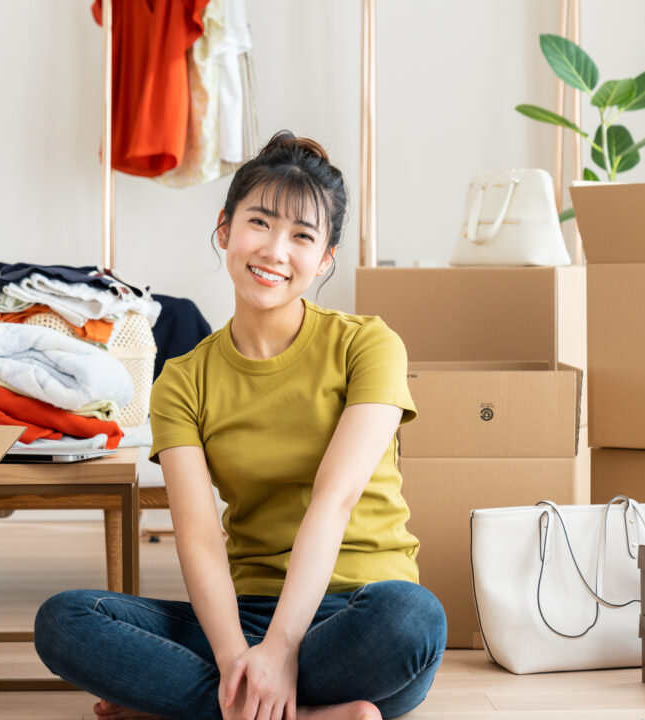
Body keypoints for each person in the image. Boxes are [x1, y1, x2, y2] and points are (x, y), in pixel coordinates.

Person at [35, 131, 445, 720]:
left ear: (325, 258)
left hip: (360, 614)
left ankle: (187, 706)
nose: (276, 251)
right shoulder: (181, 381)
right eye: (260, 223)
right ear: (225, 228)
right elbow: (200, 535)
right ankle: (294, 713)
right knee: (64, 621)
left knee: (415, 620)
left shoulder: (369, 344)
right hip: (244, 614)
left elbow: (334, 500)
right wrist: (235, 658)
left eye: (303, 236)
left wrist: (281, 649)